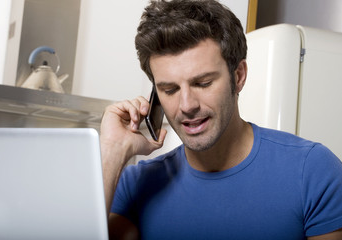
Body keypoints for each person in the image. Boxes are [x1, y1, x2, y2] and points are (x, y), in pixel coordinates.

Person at [100, 0, 342, 239]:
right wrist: (112, 152)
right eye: (170, 90)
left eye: (203, 83)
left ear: (238, 76)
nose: (186, 106)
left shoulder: (312, 170)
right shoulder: (137, 183)